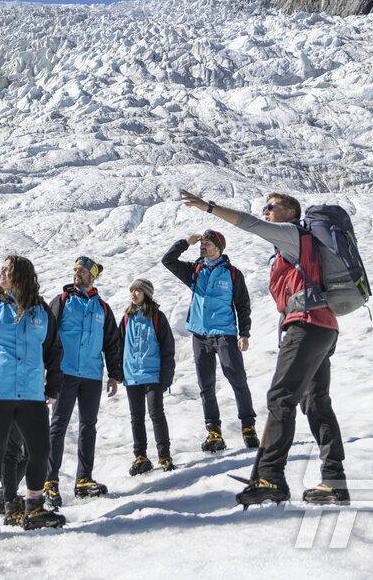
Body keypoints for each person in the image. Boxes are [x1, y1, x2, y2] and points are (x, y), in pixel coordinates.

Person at [179, 189, 350, 507]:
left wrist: (208, 207)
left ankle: (270, 477)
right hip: (323, 327)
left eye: (272, 207)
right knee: (316, 405)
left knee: (280, 398)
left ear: (290, 212)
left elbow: (249, 223)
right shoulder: (297, 248)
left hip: (307, 324)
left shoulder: (292, 234)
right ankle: (334, 481)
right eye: (266, 207)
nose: (267, 211)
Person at [0, 255, 68, 537]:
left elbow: (54, 350)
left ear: (20, 276)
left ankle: (33, 508)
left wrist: (53, 385)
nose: (2, 273)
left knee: (40, 451)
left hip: (32, 394)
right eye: (2, 269)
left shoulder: (41, 311)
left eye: (7, 270)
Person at [160, 228, 257, 453]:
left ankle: (248, 427)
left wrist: (244, 333)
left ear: (219, 248)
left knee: (237, 379)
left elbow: (242, 305)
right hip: (200, 335)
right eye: (202, 244)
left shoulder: (233, 274)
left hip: (225, 334)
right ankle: (213, 431)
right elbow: (168, 260)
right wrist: (186, 242)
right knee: (206, 386)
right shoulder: (195, 270)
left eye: (207, 244)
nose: (203, 247)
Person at [40, 255, 123, 507]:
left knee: (89, 426)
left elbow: (111, 343)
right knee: (58, 426)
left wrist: (114, 375)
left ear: (93, 276)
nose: (77, 273)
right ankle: (49, 481)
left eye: (83, 270)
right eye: (75, 269)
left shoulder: (103, 308)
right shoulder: (63, 301)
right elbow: (48, 336)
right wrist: (44, 370)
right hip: (64, 373)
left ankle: (84, 479)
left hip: (91, 375)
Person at [120, 278, 175, 476]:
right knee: (136, 418)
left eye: (137, 290)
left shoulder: (157, 317)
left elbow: (168, 348)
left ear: (146, 293)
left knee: (156, 414)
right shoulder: (127, 318)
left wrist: (166, 376)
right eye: (132, 290)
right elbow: (119, 345)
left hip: (153, 375)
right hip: (132, 375)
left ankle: (164, 455)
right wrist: (118, 372)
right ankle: (140, 456)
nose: (133, 294)